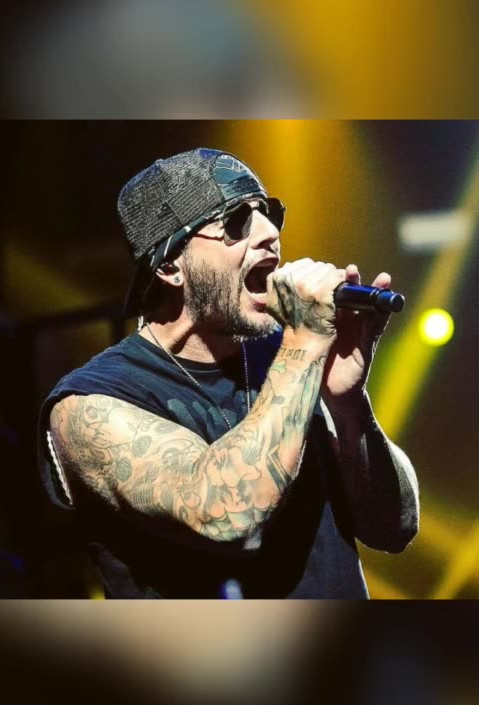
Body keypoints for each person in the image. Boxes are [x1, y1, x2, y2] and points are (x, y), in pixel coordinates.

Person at [38, 147, 419, 598]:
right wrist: (303, 345)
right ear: (169, 265)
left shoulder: (290, 357)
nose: (269, 233)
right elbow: (225, 517)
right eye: (236, 220)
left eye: (269, 213)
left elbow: (394, 527)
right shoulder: (90, 405)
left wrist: (348, 404)